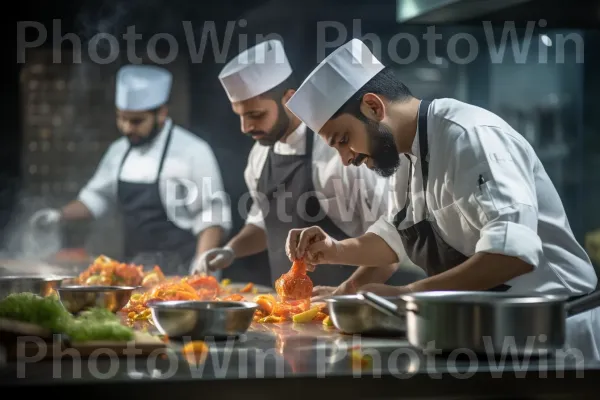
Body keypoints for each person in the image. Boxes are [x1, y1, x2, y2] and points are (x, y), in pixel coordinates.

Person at [284, 39, 599, 358]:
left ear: (374, 107)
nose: (345, 158)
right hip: (491, 333)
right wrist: (334, 251)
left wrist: (408, 295)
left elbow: (512, 253)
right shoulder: (406, 154)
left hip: (558, 334)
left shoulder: (469, 137)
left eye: (343, 140)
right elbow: (394, 239)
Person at [192, 39, 426, 291]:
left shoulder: (348, 154)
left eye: (256, 115)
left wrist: (343, 296)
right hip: (287, 309)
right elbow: (263, 223)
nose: (246, 128)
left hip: (345, 306)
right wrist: (230, 251)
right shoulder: (260, 154)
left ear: (288, 99)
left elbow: (390, 244)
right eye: (240, 116)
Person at [29, 64, 231, 275]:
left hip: (182, 274)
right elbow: (96, 198)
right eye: (121, 118)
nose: (127, 128)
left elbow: (212, 215)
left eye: (136, 121)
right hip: (135, 274)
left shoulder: (194, 151)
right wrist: (59, 215)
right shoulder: (119, 151)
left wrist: (200, 268)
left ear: (161, 113)